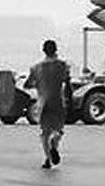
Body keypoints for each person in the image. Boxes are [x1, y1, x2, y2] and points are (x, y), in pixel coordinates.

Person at [24, 39, 72, 170]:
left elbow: (27, 85)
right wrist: (70, 101)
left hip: (43, 103)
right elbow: (67, 83)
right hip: (58, 102)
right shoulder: (63, 65)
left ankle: (47, 160)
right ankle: (54, 140)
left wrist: (38, 84)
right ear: (56, 50)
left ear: (43, 50)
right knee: (58, 130)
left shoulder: (36, 68)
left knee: (44, 133)